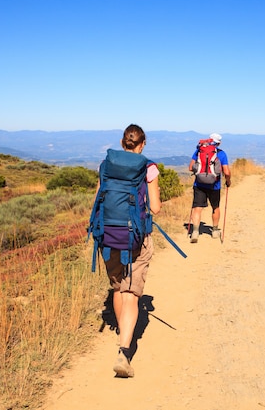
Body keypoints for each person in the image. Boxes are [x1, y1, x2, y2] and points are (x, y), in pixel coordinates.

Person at [95, 124, 161, 378]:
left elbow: (98, 200)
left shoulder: (105, 165)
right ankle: (124, 350)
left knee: (117, 289)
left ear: (123, 143)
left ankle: (121, 336)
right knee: (132, 293)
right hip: (137, 238)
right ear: (142, 144)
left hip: (109, 236)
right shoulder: (149, 167)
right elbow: (155, 208)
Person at [188, 133, 231, 243]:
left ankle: (195, 232)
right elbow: (226, 171)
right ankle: (215, 231)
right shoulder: (221, 154)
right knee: (215, 207)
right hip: (214, 185)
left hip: (199, 184)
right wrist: (228, 181)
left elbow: (190, 167)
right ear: (219, 142)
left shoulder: (199, 151)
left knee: (197, 208)